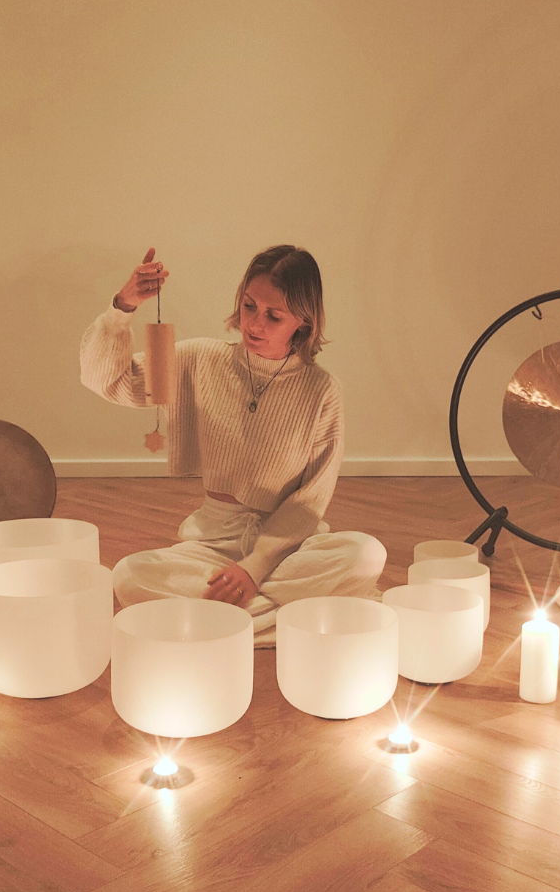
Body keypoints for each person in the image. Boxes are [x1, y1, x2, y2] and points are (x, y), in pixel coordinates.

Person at [79, 244, 386, 645]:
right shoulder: (200, 360)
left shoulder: (322, 391)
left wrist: (255, 569)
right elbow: (107, 380)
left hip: (287, 546)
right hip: (211, 543)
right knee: (128, 575)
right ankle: (296, 618)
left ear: (304, 322)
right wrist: (123, 306)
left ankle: (215, 622)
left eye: (273, 316)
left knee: (365, 554)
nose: (255, 324)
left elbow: (309, 500)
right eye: (248, 306)